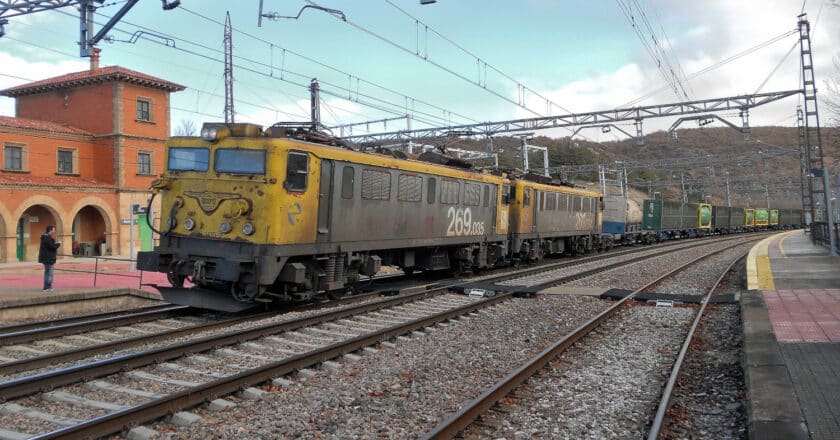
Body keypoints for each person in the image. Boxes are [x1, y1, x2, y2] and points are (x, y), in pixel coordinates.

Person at [38, 225, 61, 291]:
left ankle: (46, 287)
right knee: (49, 273)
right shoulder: (47, 238)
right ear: (50, 230)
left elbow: (50, 245)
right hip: (48, 258)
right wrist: (59, 244)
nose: (54, 231)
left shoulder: (45, 237)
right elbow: (52, 247)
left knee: (47, 273)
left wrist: (54, 243)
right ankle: (48, 287)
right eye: (53, 230)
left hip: (46, 258)